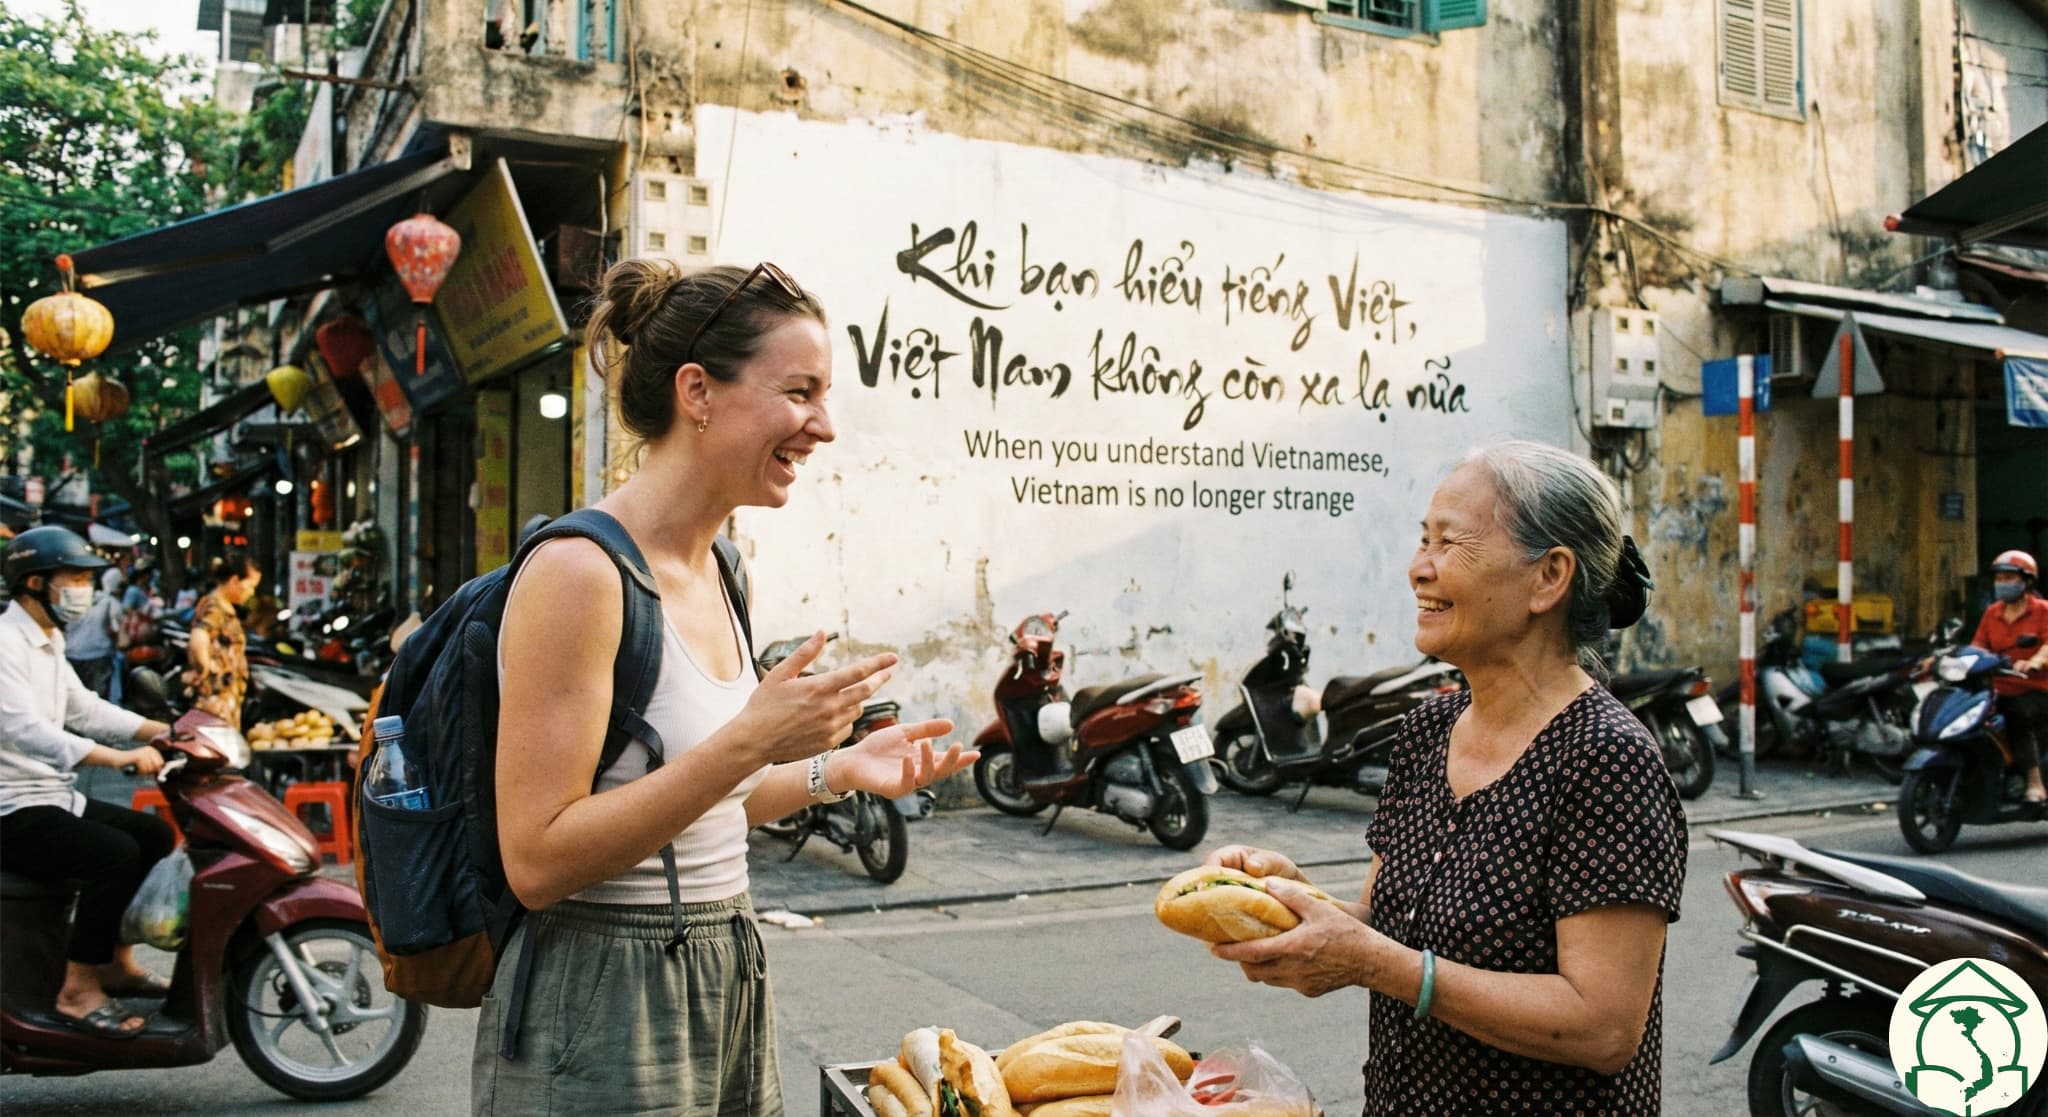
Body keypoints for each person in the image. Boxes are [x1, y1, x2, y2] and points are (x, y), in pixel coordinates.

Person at [474, 259, 975, 1115]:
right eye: (800, 391)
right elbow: (536, 858)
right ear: (697, 391)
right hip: (602, 991)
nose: (822, 426)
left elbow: (700, 806)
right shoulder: (579, 574)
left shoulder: (720, 568)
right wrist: (753, 737)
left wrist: (837, 772)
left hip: (727, 965)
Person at [1206, 441, 1687, 1115]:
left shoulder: (1606, 758)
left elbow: (1603, 1025)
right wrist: (1287, 900)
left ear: (1548, 577)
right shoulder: (1428, 731)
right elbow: (1388, 924)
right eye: (1421, 540)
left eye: (1449, 544)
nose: (1417, 569)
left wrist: (1375, 963)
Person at [0, 526, 173, 1038]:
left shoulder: (48, 640)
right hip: (12, 808)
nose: (84, 587)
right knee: (114, 854)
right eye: (74, 576)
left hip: (51, 797)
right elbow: (25, 731)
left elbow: (84, 709)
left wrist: (162, 731)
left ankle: (114, 961)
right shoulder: (5, 643)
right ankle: (77, 989)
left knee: (154, 836)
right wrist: (116, 759)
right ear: (34, 582)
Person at [1969, 550, 2048, 803]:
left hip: (2035, 689)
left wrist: (2035, 661)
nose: (2002, 583)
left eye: (2009, 578)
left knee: (2017, 714)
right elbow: (1978, 646)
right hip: (1997, 689)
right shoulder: (1992, 612)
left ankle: (2035, 782)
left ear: (2027, 582)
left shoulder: (2043, 610)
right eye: (1999, 578)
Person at [184, 553, 258, 731]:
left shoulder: (223, 607)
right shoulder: (214, 606)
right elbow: (199, 637)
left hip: (226, 696)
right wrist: (204, 669)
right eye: (249, 586)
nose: (251, 592)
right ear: (234, 581)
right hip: (214, 698)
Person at [63, 567, 123, 700]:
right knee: (97, 701)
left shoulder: (66, 602)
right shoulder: (110, 602)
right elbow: (116, 629)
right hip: (98, 658)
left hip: (72, 657)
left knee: (77, 701)